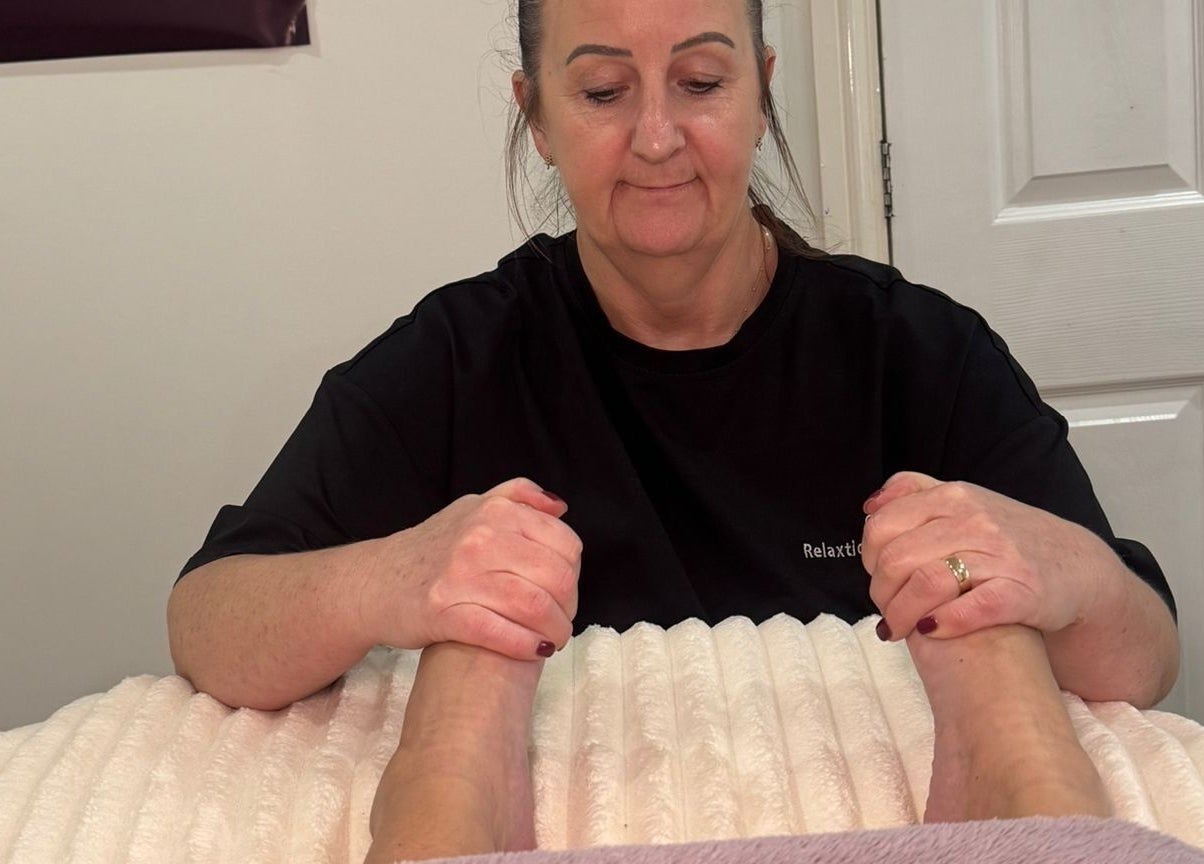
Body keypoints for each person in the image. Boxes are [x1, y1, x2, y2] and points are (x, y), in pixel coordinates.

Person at [166, 0, 1180, 860]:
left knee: (985, 623)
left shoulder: (916, 352)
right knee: (474, 645)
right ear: (538, 116)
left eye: (700, 83)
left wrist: (1050, 569)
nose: (656, 137)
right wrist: (395, 580)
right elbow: (209, 621)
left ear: (759, 91)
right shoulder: (456, 357)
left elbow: (1144, 657)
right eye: (603, 93)